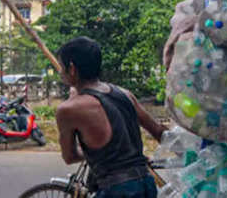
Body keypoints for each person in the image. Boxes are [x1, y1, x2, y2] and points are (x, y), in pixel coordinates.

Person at [55, 36, 168, 198]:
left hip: (116, 190)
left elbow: (70, 156)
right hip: (146, 183)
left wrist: (98, 153)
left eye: (61, 66)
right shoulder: (125, 94)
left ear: (72, 68)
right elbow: (158, 131)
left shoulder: (68, 109)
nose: (60, 72)